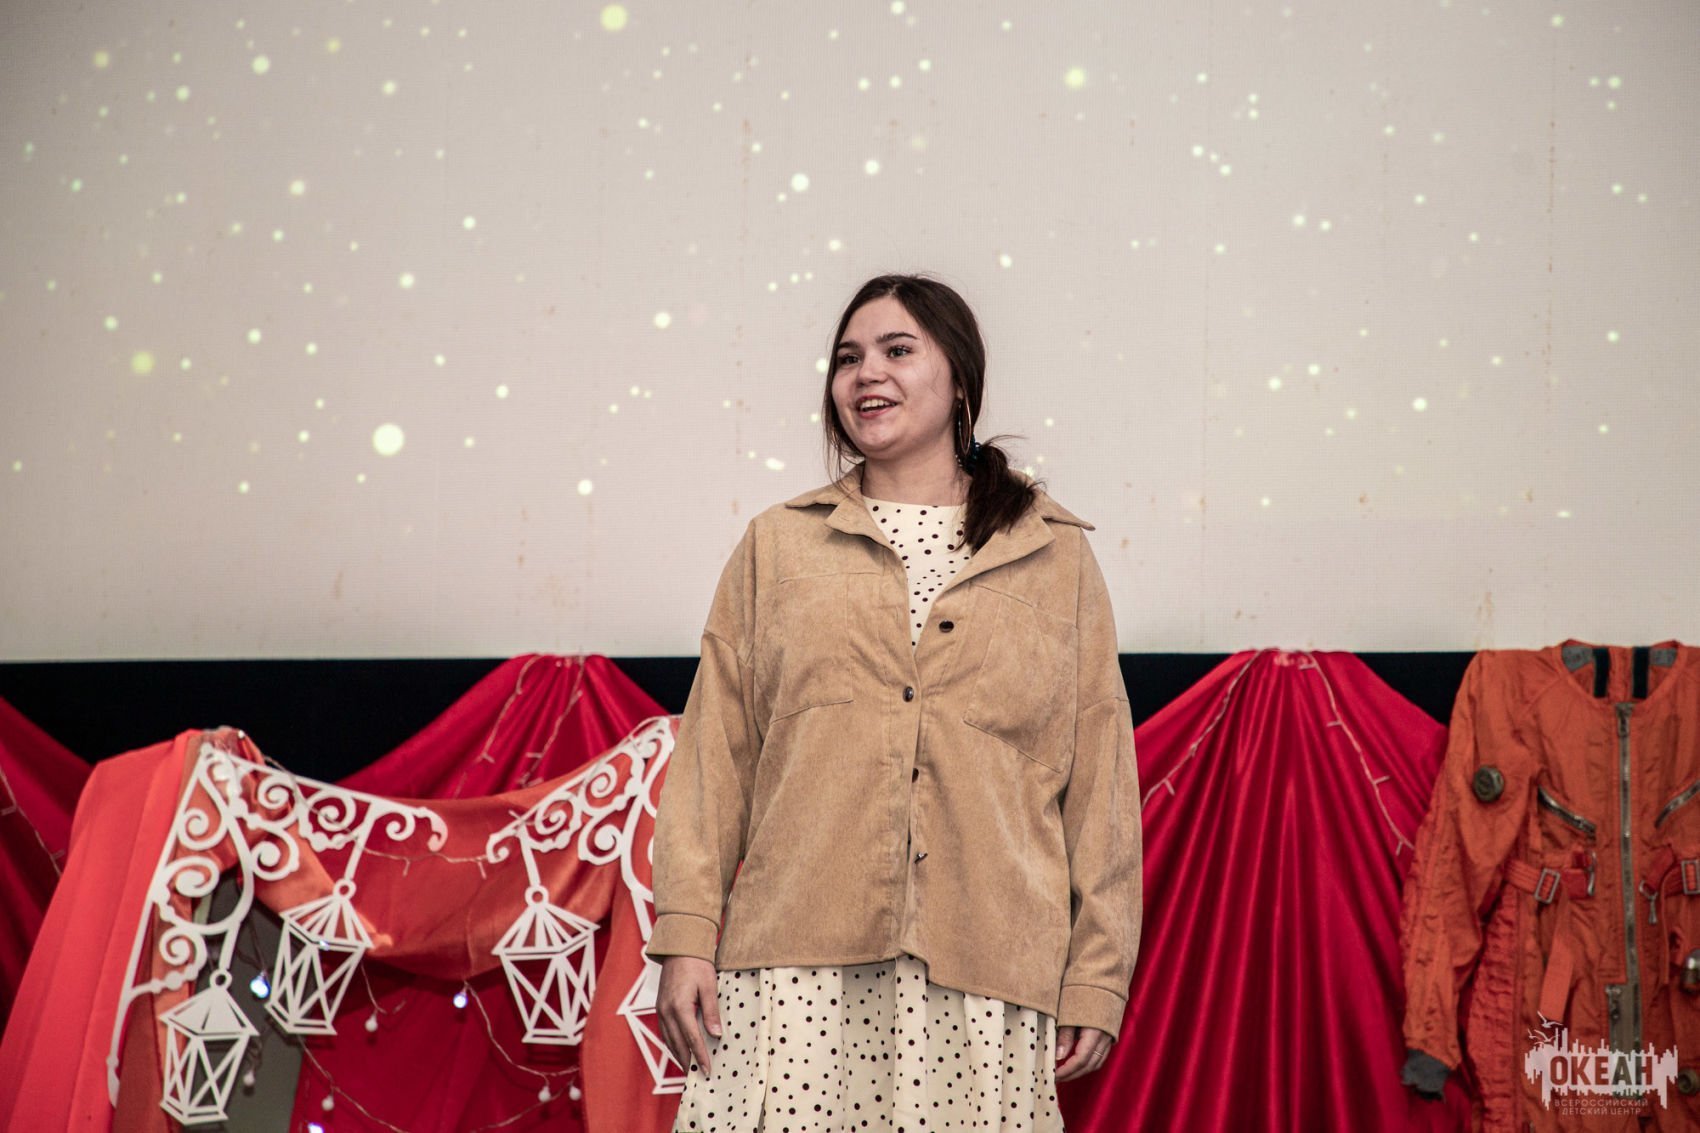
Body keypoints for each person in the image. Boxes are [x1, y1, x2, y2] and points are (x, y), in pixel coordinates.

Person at [648, 273, 1142, 1131]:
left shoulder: (1053, 556)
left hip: (985, 974)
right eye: (848, 358)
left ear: (960, 380)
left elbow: (1101, 781)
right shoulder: (779, 544)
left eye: (897, 350)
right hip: (797, 967)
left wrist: (1098, 973)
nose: (865, 373)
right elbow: (714, 758)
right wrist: (686, 932)